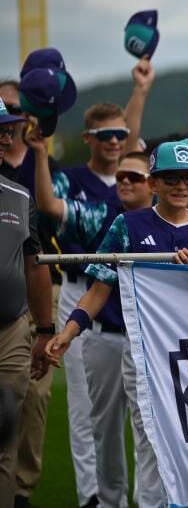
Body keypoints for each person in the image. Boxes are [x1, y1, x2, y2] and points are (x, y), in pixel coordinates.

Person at [46, 140, 188, 508]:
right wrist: (68, 331)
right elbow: (99, 289)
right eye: (171, 178)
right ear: (154, 182)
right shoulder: (127, 225)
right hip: (142, 352)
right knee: (149, 442)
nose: (181, 186)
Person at [28, 132, 154, 508]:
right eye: (121, 178)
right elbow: (49, 204)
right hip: (104, 334)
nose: (125, 182)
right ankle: (108, 503)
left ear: (154, 184)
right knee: (104, 430)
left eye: (135, 177)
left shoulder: (179, 224)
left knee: (151, 432)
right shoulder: (105, 216)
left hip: (151, 342)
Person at [0, 96, 53, 507]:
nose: (5, 136)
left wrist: (45, 330)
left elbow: (35, 266)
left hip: (11, 332)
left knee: (5, 444)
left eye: (7, 129)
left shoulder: (18, 196)